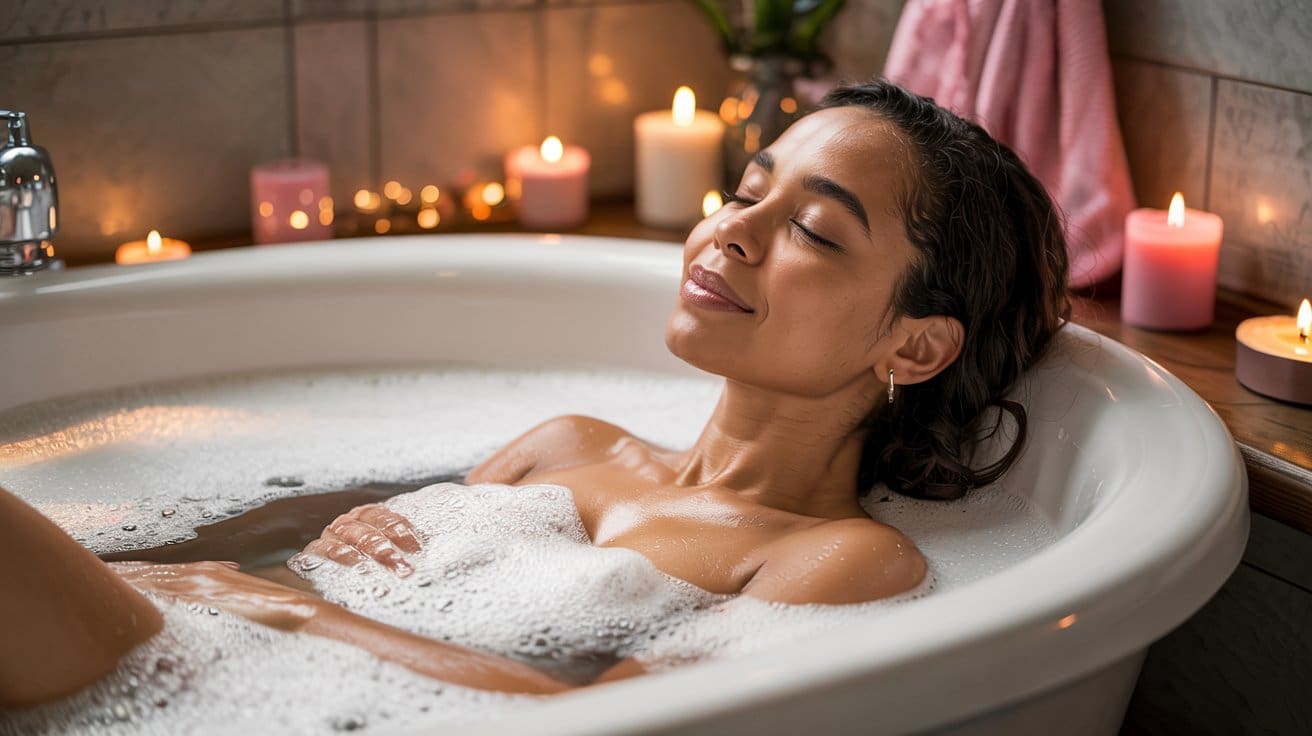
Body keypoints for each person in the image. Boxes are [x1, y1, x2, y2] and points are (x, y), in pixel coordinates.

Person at [0, 80, 1070, 709]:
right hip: (221, 670)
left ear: (915, 345)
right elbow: (343, 584)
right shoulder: (566, 443)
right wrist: (305, 558)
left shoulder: (835, 555)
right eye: (747, 190)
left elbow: (605, 725)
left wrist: (268, 603)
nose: (728, 231)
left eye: (811, 229)